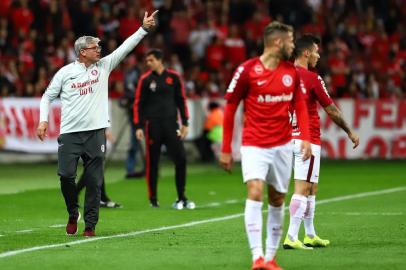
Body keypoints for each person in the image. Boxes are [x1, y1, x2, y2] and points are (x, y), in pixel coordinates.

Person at [37, 11, 157, 237]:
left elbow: (125, 47)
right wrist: (43, 120)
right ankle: (73, 212)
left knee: (94, 182)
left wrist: (143, 29)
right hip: (70, 134)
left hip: (95, 134)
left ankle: (90, 226)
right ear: (82, 52)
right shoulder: (65, 73)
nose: (99, 50)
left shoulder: (104, 66)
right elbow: (46, 97)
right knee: (65, 176)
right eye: (94, 47)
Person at [220, 21, 312, 270]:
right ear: (278, 42)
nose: (294, 45)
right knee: (255, 191)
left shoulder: (290, 72)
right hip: (254, 144)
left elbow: (301, 105)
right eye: (291, 40)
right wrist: (226, 148)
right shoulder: (247, 70)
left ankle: (270, 258)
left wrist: (304, 136)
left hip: (282, 144)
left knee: (277, 198)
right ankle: (256, 257)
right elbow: (230, 107)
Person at [283, 34, 360, 249]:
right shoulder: (312, 78)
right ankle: (291, 236)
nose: (318, 55)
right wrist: (349, 131)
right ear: (306, 52)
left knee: (311, 188)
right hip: (307, 140)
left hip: (288, 138)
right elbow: (332, 110)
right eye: (316, 51)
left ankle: (310, 234)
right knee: (302, 188)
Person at [133, 48, 195, 210]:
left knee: (180, 159)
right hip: (152, 126)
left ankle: (181, 197)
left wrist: (185, 122)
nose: (148, 63)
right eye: (147, 61)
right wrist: (139, 126)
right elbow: (139, 104)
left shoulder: (174, 77)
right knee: (152, 163)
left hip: (171, 125)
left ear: (160, 60)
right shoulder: (145, 80)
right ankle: (153, 199)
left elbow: (181, 100)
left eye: (151, 60)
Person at [76, 129, 121, 208]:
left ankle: (102, 198)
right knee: (93, 167)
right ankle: (75, 192)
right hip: (91, 134)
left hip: (98, 134)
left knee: (96, 168)